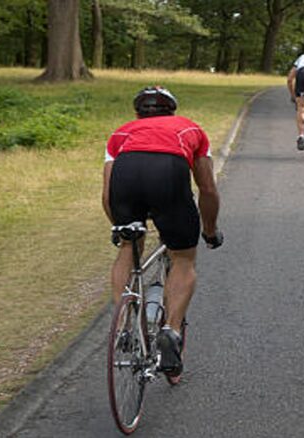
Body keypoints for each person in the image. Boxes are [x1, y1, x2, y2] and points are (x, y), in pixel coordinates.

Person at [102, 86, 223, 377]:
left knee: (128, 247)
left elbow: (107, 194)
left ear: (137, 114)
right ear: (173, 111)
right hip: (168, 172)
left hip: (127, 174)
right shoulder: (190, 128)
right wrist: (209, 230)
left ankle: (123, 325)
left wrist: (120, 228)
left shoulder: (121, 133)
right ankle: (171, 330)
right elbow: (207, 188)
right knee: (182, 257)